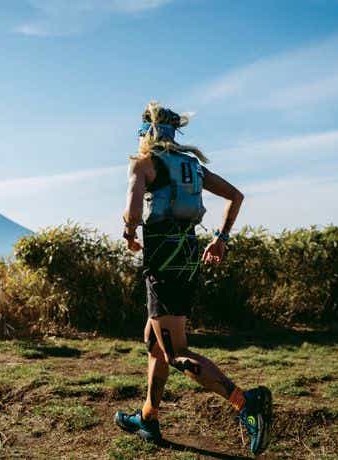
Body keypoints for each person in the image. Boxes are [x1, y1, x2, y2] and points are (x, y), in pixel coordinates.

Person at [114, 101, 272, 456]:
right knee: (153, 341)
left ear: (146, 133)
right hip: (187, 259)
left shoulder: (143, 163)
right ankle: (148, 418)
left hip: (163, 264)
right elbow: (236, 195)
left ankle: (245, 403)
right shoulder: (193, 167)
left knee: (174, 352)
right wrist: (221, 238)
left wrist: (128, 233)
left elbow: (134, 212)